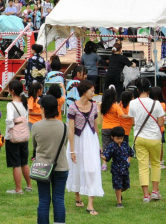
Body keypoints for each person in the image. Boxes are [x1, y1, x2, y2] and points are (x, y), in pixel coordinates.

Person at [66, 79, 103, 214]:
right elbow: (71, 130)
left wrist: (98, 144)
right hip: (77, 140)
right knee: (77, 167)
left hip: (91, 140)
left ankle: (90, 204)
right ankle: (77, 196)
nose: (93, 93)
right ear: (84, 91)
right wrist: (72, 150)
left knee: (92, 169)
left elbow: (95, 125)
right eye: (92, 91)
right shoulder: (72, 107)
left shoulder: (94, 106)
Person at [32, 94, 68, 224]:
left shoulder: (36, 126)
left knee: (44, 199)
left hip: (42, 166)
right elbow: (64, 145)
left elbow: (35, 146)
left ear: (43, 109)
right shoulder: (65, 126)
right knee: (58, 199)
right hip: (61, 166)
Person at [129, 77, 166, 201]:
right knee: (155, 163)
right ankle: (155, 190)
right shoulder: (156, 103)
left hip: (139, 137)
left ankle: (145, 194)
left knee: (143, 165)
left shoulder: (133, 103)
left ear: (137, 89)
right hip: (154, 137)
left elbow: (133, 122)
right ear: (149, 89)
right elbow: (161, 123)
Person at [4, 79, 32, 195]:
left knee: (15, 164)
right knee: (24, 162)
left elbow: (10, 119)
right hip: (24, 135)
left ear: (12, 91)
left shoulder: (11, 105)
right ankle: (29, 185)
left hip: (13, 137)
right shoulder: (24, 103)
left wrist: (10, 126)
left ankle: (18, 188)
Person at [101, 125, 134, 208]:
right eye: (117, 138)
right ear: (112, 137)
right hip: (116, 169)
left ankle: (118, 193)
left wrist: (128, 162)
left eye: (121, 138)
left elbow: (130, 153)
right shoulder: (111, 146)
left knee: (126, 186)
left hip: (125, 169)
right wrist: (100, 155)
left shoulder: (125, 145)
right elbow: (106, 156)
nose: (120, 140)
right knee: (118, 185)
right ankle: (119, 202)